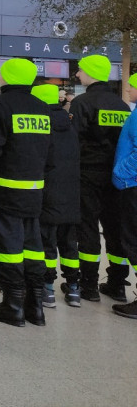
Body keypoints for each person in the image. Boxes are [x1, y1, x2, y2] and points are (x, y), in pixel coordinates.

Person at [0, 58, 53, 327]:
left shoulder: (0, 106)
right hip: (35, 190)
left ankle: (13, 305)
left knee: (9, 248)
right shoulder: (43, 109)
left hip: (6, 188)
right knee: (33, 247)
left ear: (5, 78)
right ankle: (36, 306)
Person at [69, 54, 132, 302]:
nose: (77, 74)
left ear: (91, 73)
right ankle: (117, 282)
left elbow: (74, 142)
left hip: (87, 174)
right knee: (115, 229)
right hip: (116, 176)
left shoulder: (82, 103)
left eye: (80, 70)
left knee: (87, 228)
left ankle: (88, 285)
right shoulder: (121, 105)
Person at [30, 83, 82, 308]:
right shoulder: (70, 127)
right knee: (70, 243)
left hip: (48, 193)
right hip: (71, 193)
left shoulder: (41, 126)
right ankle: (73, 288)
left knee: (47, 243)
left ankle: (48, 288)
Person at [111, 74, 137, 318]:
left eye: (132, 86)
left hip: (132, 185)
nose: (128, 90)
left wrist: (121, 174)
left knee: (134, 238)